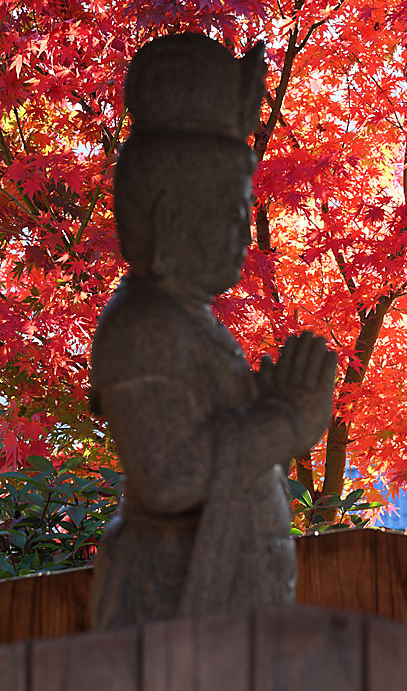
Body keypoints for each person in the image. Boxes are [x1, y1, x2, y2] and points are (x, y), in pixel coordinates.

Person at [90, 34, 337, 628]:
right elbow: (168, 479)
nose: (246, 237)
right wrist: (281, 423)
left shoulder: (190, 322)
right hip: (177, 596)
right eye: (233, 216)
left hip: (232, 589)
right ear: (172, 217)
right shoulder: (142, 326)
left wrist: (264, 403)